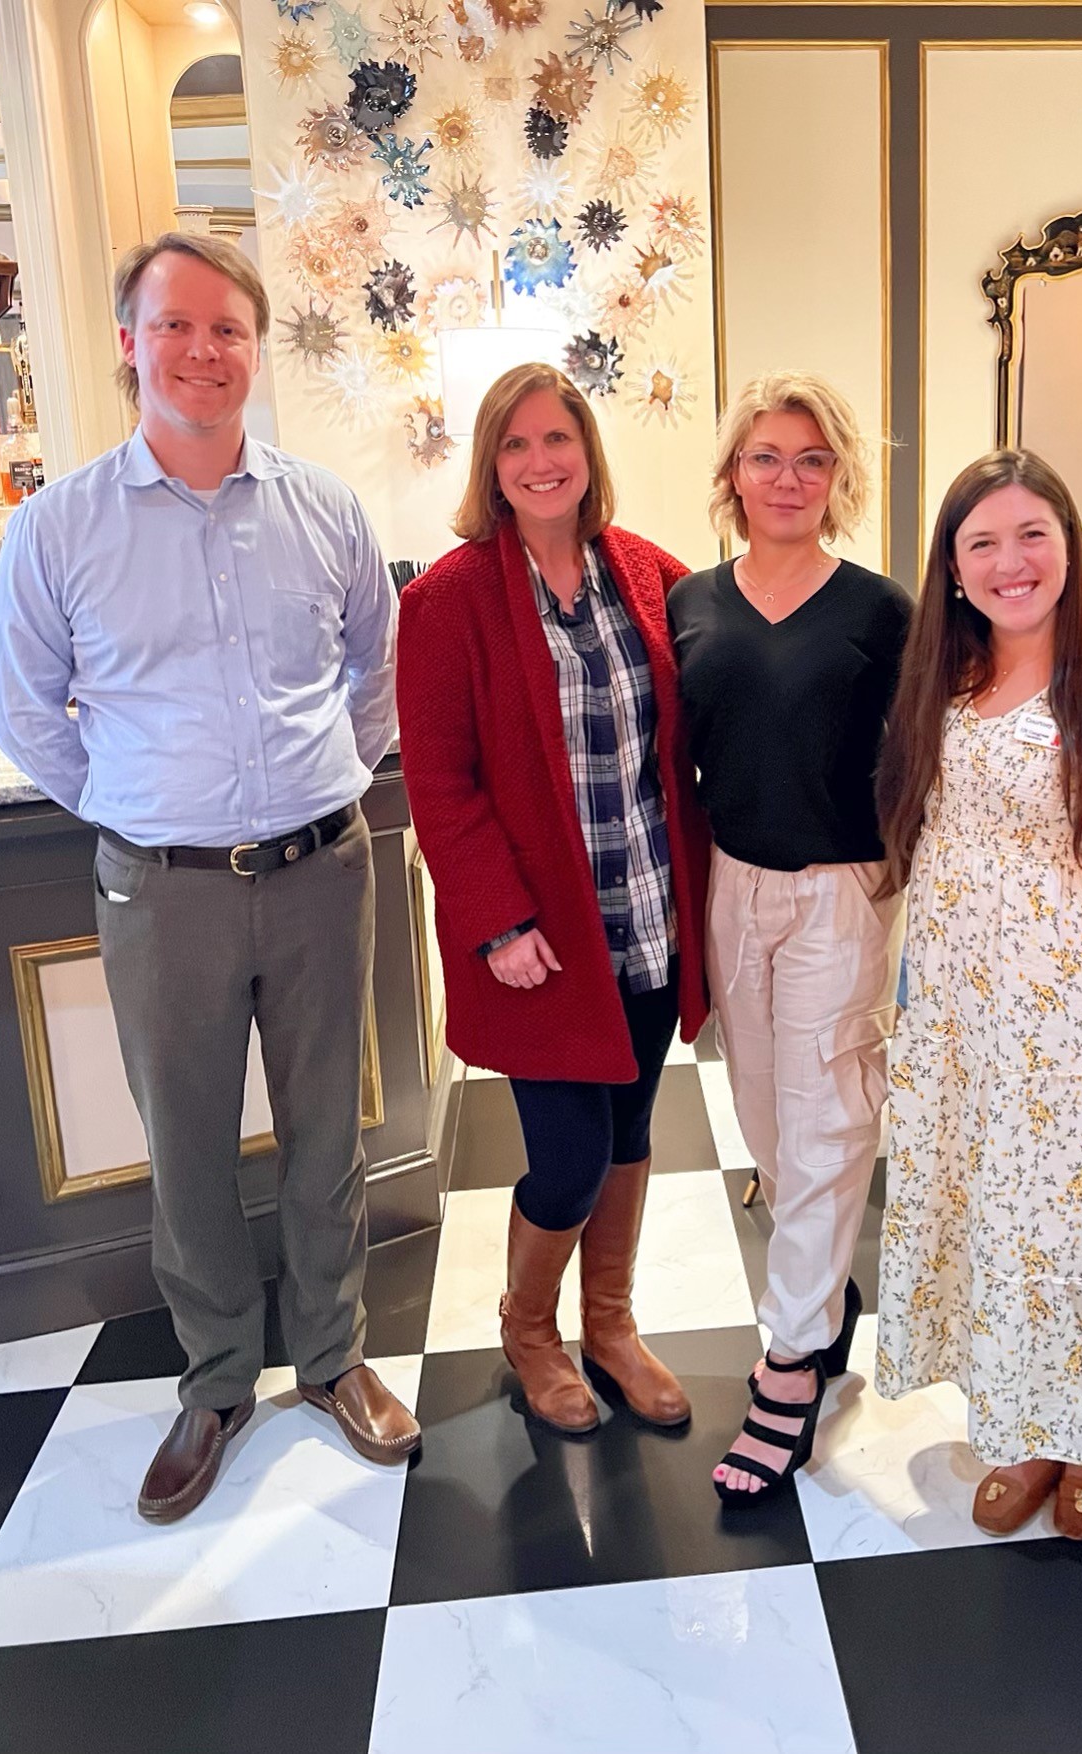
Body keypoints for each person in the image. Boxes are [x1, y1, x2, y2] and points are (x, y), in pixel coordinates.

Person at [0, 233, 418, 1521]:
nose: (203, 349)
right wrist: (141, 804)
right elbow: (29, 712)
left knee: (326, 1128)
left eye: (227, 327)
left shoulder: (324, 507)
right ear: (130, 343)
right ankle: (220, 1377)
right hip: (161, 888)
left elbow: (379, 669)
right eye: (174, 325)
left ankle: (333, 1354)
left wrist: (324, 779)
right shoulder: (59, 527)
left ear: (256, 348)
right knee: (184, 1140)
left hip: (321, 867)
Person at [874, 450, 1082, 1541]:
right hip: (964, 998)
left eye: (1032, 535)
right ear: (952, 565)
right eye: (983, 542)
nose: (1010, 562)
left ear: (1069, 544)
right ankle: (1019, 1422)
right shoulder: (944, 672)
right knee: (995, 1204)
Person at [396, 362, 711, 1437]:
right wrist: (496, 920)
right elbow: (439, 780)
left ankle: (609, 1324)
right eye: (517, 444)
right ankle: (530, 1329)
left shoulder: (648, 573)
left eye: (558, 439)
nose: (541, 462)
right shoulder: (447, 600)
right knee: (568, 1155)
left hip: (650, 912)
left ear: (588, 452)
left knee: (631, 1127)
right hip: (544, 939)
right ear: (491, 466)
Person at [668, 371, 911, 1503]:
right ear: (733, 473)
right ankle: (825, 1304)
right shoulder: (691, 602)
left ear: (838, 477)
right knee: (768, 1123)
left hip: (838, 894)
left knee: (828, 1124)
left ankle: (789, 1363)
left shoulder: (878, 610)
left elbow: (921, 753)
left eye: (812, 459)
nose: (787, 478)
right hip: (734, 883)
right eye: (766, 456)